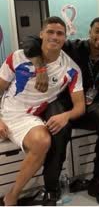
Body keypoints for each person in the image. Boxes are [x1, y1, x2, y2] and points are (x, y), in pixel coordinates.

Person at [22, 17, 99, 205]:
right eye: (97, 30)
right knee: (59, 128)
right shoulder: (72, 47)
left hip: (88, 103)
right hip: (62, 101)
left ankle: (96, 181)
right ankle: (51, 188)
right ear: (89, 32)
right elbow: (30, 41)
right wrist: (40, 67)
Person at [0, 17, 85, 206]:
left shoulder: (71, 69)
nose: (54, 37)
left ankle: (12, 196)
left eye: (60, 33)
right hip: (6, 112)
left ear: (65, 38)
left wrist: (66, 115)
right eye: (50, 32)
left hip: (29, 118)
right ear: (41, 34)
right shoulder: (18, 57)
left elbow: (80, 106)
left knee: (43, 140)